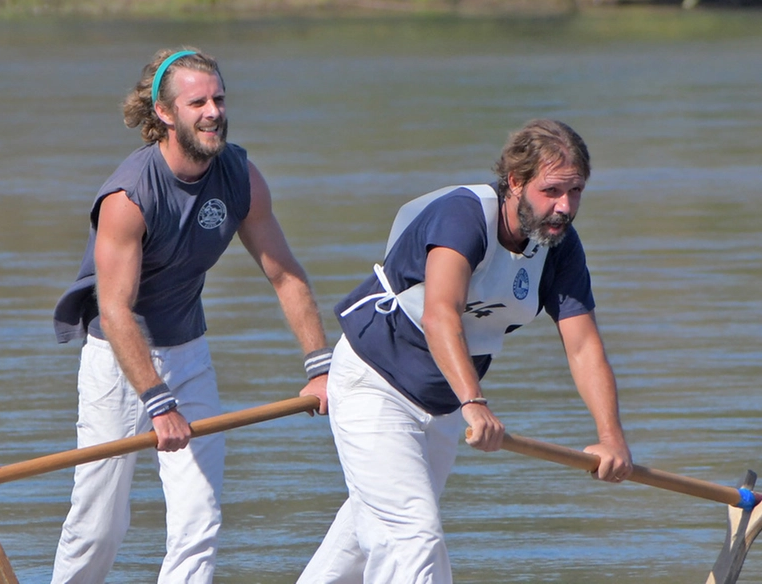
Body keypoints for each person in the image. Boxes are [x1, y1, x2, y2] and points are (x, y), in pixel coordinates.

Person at [298, 119, 633, 583]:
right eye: (552, 190)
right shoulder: (464, 216)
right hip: (374, 385)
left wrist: (611, 436)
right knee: (415, 539)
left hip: (441, 404)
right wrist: (475, 404)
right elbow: (441, 315)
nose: (564, 207)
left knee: (363, 537)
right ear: (515, 181)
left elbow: (584, 347)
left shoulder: (560, 247)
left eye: (575, 191)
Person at [50, 47, 331, 584]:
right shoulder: (129, 196)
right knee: (99, 522)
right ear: (164, 113)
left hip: (189, 354)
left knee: (199, 517)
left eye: (219, 99)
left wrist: (320, 367)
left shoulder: (241, 176)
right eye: (197, 101)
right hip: (119, 362)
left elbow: (286, 275)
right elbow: (114, 309)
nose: (212, 111)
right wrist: (158, 403)